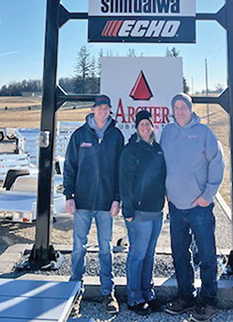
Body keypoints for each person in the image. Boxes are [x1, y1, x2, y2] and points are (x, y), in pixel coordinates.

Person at [161, 93, 225, 322]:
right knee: (180, 254)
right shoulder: (167, 132)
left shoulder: (204, 133)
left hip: (199, 206)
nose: (179, 111)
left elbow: (218, 162)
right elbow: (163, 163)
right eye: (176, 107)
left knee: (207, 254)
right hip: (176, 207)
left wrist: (207, 195)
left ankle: (208, 301)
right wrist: (166, 192)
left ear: (190, 109)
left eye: (183, 107)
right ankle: (186, 296)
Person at [63, 94, 124, 314]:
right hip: (82, 202)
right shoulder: (80, 136)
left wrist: (117, 198)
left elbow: (120, 171)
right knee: (79, 247)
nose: (102, 111)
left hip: (107, 205)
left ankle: (108, 293)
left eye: (106, 108)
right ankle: (75, 292)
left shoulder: (116, 136)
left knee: (106, 249)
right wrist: (69, 195)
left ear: (109, 111)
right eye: (99, 107)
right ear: (92, 110)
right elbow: (70, 167)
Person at [119, 109, 166, 315]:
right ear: (136, 127)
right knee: (137, 254)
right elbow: (125, 181)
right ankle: (134, 297)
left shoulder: (158, 149)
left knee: (149, 254)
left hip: (156, 211)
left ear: (152, 126)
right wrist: (127, 209)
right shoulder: (131, 150)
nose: (145, 127)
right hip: (138, 212)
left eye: (148, 124)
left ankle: (148, 293)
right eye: (141, 125)